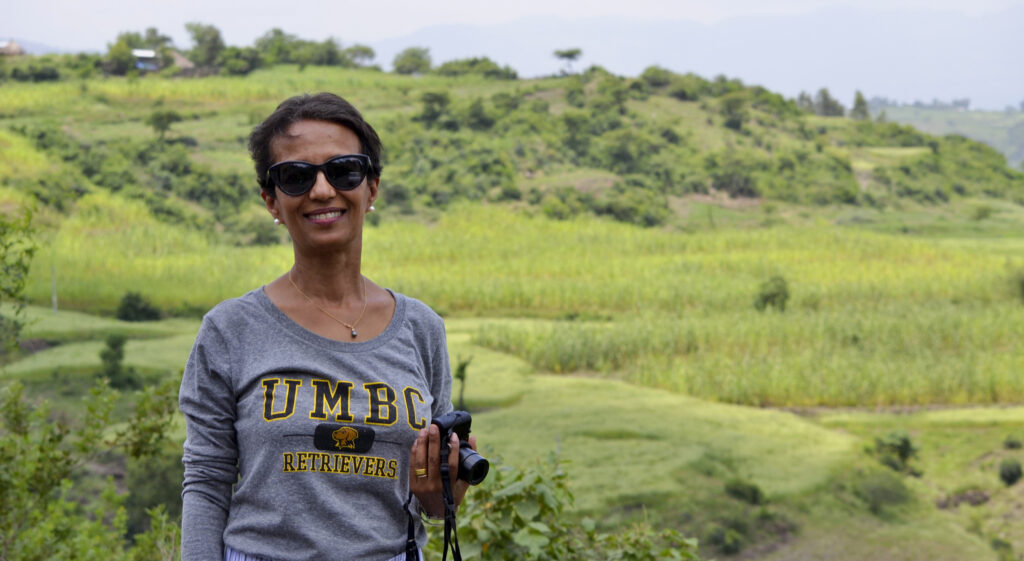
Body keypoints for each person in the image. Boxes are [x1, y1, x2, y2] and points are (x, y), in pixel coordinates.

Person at [179, 92, 476, 561]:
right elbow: (206, 482)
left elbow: (437, 506)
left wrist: (444, 489)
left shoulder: (421, 328)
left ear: (371, 188)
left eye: (343, 171)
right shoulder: (231, 329)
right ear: (271, 200)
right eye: (296, 177)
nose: (322, 191)